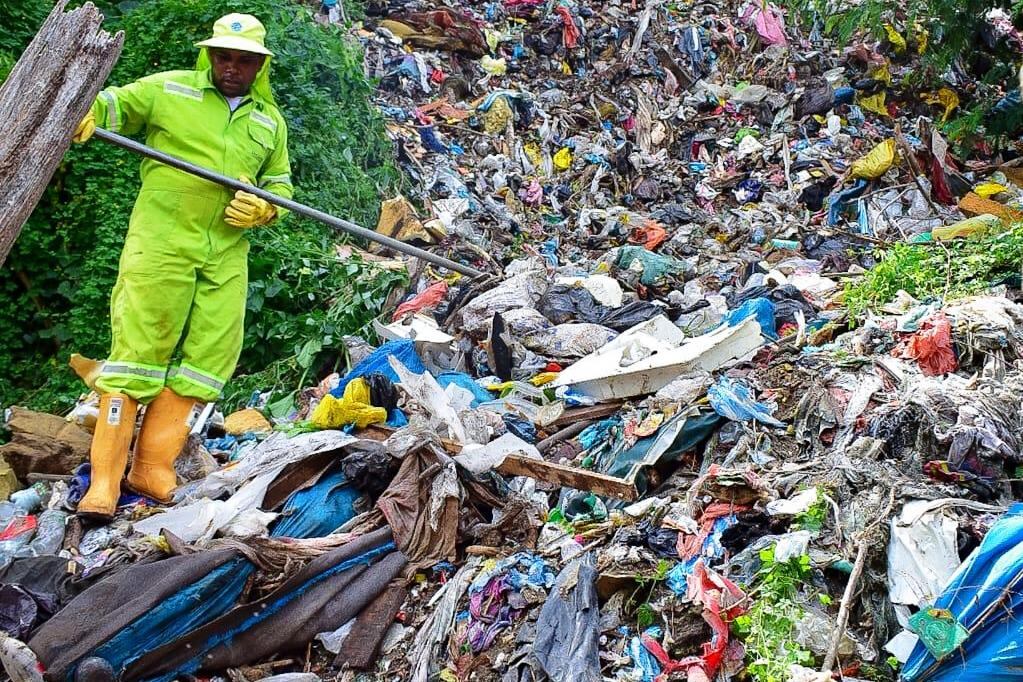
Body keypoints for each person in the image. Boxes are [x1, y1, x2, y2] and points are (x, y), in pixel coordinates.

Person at [70, 13, 293, 519]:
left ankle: (152, 467)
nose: (232, 67)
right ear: (209, 55)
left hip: (227, 251)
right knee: (136, 355)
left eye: (244, 59)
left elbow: (279, 182)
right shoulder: (169, 90)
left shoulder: (267, 121)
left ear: (260, 65)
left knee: (209, 356)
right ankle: (102, 483)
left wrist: (266, 206)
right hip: (163, 241)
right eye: (223, 55)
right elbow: (115, 105)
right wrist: (85, 112)